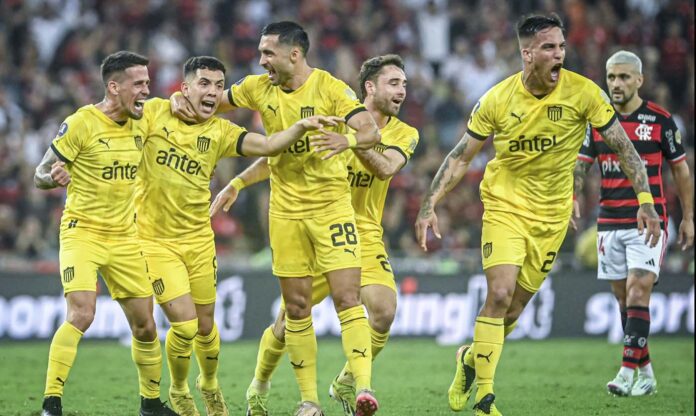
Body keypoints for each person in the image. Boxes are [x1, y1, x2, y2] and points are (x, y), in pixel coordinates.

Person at [414, 15, 662, 416]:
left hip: (551, 219)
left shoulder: (584, 93)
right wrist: (430, 204)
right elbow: (461, 156)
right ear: (527, 54)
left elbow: (624, 148)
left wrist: (646, 200)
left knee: (510, 312)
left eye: (562, 47)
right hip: (505, 207)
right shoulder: (496, 99)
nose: (559, 55)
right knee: (497, 294)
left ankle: (468, 360)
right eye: (549, 48)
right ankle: (485, 399)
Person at [172, 22, 381, 416]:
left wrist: (347, 140)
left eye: (268, 52)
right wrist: (172, 102)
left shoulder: (331, 89)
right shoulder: (256, 88)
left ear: (294, 54)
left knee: (348, 297)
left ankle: (364, 388)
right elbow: (209, 100)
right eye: (261, 52)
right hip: (284, 212)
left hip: (332, 208)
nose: (261, 59)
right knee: (296, 307)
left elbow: (369, 130)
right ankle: (309, 401)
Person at [210, 54, 417, 416]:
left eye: (404, 84)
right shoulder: (336, 113)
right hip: (311, 225)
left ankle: (348, 383)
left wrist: (352, 141)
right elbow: (280, 157)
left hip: (361, 232)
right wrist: (239, 181)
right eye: (394, 83)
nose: (403, 91)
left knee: (383, 311)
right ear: (370, 87)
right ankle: (259, 384)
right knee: (287, 322)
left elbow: (385, 169)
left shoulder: (404, 133)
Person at [137, 56, 342, 416]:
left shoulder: (221, 131)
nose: (213, 92)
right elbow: (119, 115)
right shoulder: (155, 112)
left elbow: (267, 146)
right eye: (204, 83)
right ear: (184, 88)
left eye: (219, 85)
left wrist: (301, 126)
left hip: (199, 240)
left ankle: (210, 384)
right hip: (154, 241)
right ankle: (180, 388)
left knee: (205, 327)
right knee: (183, 326)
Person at [33, 51, 177, 416]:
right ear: (114, 87)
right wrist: (53, 178)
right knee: (81, 313)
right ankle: (52, 402)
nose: (146, 90)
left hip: (126, 237)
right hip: (83, 233)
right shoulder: (81, 123)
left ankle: (150, 405)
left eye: (148, 82)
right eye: (139, 84)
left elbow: (185, 106)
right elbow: (40, 173)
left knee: (145, 325)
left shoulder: (143, 120)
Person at [574, 50, 694, 397]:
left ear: (639, 80)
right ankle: (647, 373)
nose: (616, 84)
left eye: (624, 77)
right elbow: (582, 165)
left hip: (649, 221)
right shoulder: (597, 121)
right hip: (609, 221)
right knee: (626, 302)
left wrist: (688, 216)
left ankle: (626, 372)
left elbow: (681, 170)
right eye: (611, 77)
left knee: (638, 289)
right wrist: (570, 197)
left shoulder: (660, 120)